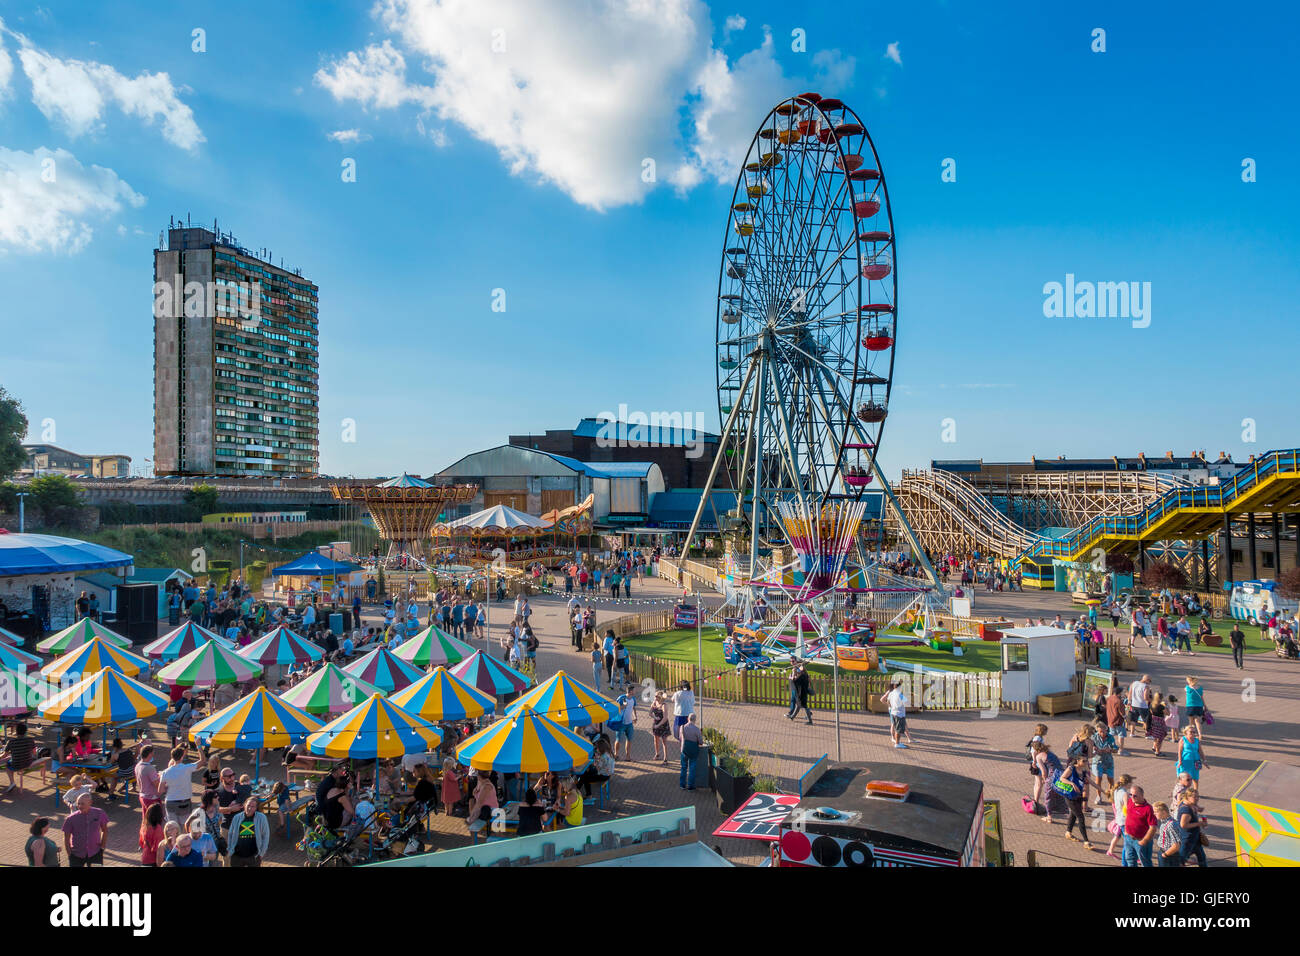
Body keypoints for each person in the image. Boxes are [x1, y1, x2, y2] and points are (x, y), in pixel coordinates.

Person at [158, 745, 203, 824]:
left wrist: (169, 786)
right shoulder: (187, 768)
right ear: (182, 756)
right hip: (185, 802)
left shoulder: (165, 772)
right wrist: (198, 745)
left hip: (170, 802)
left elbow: (160, 790)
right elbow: (202, 761)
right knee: (185, 825)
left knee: (172, 827)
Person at [63, 791, 110, 867]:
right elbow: (66, 838)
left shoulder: (99, 813)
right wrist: (69, 854)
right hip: (76, 854)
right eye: (78, 803)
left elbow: (105, 830)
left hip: (95, 853)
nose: (80, 806)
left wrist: (102, 847)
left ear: (90, 802)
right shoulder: (70, 818)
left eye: (82, 804)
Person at [1058, 757, 1093, 850]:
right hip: (1070, 797)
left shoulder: (1083, 770)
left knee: (1073, 814)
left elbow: (1091, 782)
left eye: (1086, 761)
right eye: (1084, 761)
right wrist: (1072, 784)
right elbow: (1062, 778)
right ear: (1077, 760)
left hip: (1078, 796)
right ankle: (1086, 841)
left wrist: (1103, 791)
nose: (1086, 762)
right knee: (1081, 817)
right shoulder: (1071, 768)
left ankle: (1068, 832)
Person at [227, 796, 269, 867]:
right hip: (237, 855)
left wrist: (261, 853)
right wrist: (230, 849)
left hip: (254, 855)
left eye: (253, 806)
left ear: (256, 808)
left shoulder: (262, 818)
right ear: (244, 805)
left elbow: (266, 835)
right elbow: (230, 834)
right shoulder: (236, 817)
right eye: (248, 805)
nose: (249, 808)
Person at [1121, 785, 1157, 867]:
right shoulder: (1130, 801)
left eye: (1135, 795)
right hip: (1128, 838)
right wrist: (1126, 831)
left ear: (1142, 795)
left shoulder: (1148, 808)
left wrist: (1144, 840)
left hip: (1141, 841)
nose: (1132, 797)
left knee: (1145, 862)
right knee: (1130, 860)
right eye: (1131, 795)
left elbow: (1153, 827)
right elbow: (1128, 815)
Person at [315, 764, 353, 830]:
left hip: (324, 811)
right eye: (342, 770)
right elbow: (350, 810)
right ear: (337, 771)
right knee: (352, 810)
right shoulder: (332, 784)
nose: (343, 772)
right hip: (325, 812)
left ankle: (321, 827)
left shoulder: (330, 779)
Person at [1176, 789, 1208, 867]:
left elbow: (1193, 804)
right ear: (1188, 797)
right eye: (1194, 797)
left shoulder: (1189, 803)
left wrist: (1198, 808)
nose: (1197, 798)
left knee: (1202, 858)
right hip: (1188, 839)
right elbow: (1183, 825)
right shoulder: (1186, 810)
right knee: (1181, 860)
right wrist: (1199, 823)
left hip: (1195, 838)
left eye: (1198, 796)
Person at [1104, 774, 1133, 860]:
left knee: (1120, 837)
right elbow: (1127, 808)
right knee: (1129, 842)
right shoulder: (1125, 794)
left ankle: (1110, 851)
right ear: (1127, 783)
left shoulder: (1117, 790)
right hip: (1125, 820)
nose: (1132, 784)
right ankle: (1129, 859)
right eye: (1131, 782)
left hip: (1119, 818)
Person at [3, 721, 36, 794]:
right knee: (10, 759)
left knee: (7, 765)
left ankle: (12, 782)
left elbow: (4, 755)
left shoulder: (11, 742)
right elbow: (34, 753)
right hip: (28, 762)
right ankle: (12, 783)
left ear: (16, 731)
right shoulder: (30, 740)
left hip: (16, 764)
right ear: (25, 731)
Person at [881, 680, 912, 748]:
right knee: (898, 730)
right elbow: (907, 703)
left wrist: (892, 707)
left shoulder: (891, 693)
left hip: (893, 713)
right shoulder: (900, 694)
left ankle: (897, 742)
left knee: (896, 728)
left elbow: (888, 701)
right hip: (899, 714)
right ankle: (897, 744)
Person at [134, 745, 162, 818]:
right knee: (155, 821)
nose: (153, 755)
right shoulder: (150, 768)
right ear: (149, 754)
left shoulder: (137, 766)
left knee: (146, 820)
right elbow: (157, 785)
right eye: (152, 753)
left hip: (143, 796)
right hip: (152, 798)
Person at [1153, 802, 1183, 867]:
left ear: (1163, 812)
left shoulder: (1171, 825)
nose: (1154, 814)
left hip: (1169, 854)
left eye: (1156, 812)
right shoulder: (1164, 822)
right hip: (1165, 852)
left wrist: (1165, 855)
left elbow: (1176, 845)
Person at [679, 713, 704, 790]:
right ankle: (690, 786)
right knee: (692, 768)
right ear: (695, 720)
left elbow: (680, 738)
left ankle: (682, 785)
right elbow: (700, 742)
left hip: (684, 749)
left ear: (688, 719)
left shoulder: (682, 727)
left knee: (683, 767)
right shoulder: (697, 730)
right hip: (693, 750)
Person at [613, 691, 637, 761]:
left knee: (629, 740)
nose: (634, 693)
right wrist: (623, 706)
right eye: (633, 691)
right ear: (630, 691)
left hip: (629, 723)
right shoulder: (621, 698)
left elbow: (633, 708)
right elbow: (616, 708)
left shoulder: (633, 699)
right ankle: (616, 755)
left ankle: (628, 756)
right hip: (621, 723)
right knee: (618, 740)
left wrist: (635, 717)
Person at [650, 690, 671, 763]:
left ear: (660, 697)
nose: (655, 697)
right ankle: (657, 754)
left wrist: (658, 725)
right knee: (655, 740)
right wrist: (655, 718)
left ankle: (665, 758)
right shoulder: (654, 703)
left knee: (664, 741)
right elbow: (650, 713)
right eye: (654, 696)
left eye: (656, 696)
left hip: (663, 725)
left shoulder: (664, 705)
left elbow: (665, 718)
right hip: (656, 723)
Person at [1146, 692, 1169, 756]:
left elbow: (1151, 713)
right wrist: (1166, 706)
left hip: (1154, 722)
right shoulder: (1161, 706)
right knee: (1160, 738)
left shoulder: (1151, 704)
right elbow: (1168, 713)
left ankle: (1154, 747)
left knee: (1155, 736)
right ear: (1161, 698)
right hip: (1160, 722)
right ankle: (1157, 752)